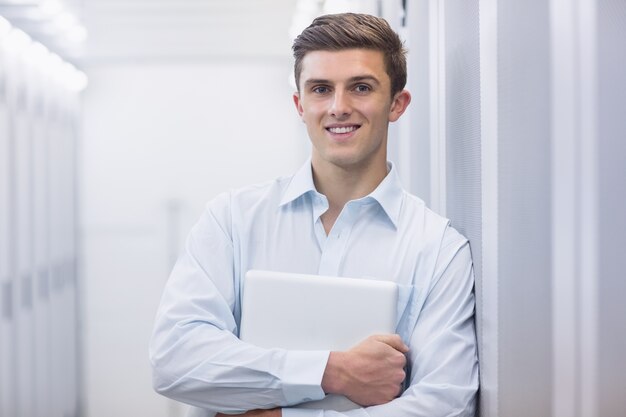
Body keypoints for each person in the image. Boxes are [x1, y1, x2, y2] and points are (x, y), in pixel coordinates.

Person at [149, 12, 478, 417]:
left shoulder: (438, 248)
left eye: (361, 87)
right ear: (299, 105)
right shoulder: (232, 220)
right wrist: (333, 371)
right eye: (321, 89)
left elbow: (446, 403)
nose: (339, 107)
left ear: (397, 104)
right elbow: (175, 360)